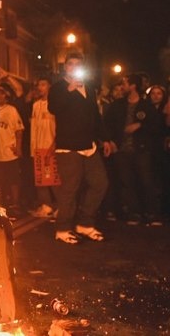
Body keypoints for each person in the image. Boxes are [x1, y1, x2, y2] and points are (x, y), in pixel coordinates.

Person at [48, 53, 115, 244]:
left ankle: (85, 223)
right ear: (65, 67)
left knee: (100, 183)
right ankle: (62, 228)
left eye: (78, 64)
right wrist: (69, 90)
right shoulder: (59, 87)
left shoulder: (89, 87)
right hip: (68, 147)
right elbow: (54, 108)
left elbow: (95, 116)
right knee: (70, 189)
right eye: (71, 64)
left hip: (89, 146)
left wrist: (106, 139)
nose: (74, 67)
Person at [103, 74, 163, 226]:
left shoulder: (146, 106)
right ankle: (133, 212)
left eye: (125, 84)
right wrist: (110, 141)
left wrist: (139, 125)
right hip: (121, 150)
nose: (122, 87)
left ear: (133, 86)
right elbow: (107, 124)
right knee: (126, 182)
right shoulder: (117, 105)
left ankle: (151, 213)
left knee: (146, 181)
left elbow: (156, 126)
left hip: (141, 149)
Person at [28, 77, 60, 218]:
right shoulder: (36, 105)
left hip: (51, 147)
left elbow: (60, 127)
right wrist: (33, 148)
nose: (40, 88)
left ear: (49, 86)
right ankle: (46, 206)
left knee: (54, 179)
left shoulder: (55, 104)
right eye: (38, 85)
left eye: (43, 85)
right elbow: (34, 128)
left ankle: (61, 207)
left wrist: (55, 144)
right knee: (41, 180)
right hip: (39, 147)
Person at [0, 85, 24, 215]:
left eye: (2, 94)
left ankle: (15, 203)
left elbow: (19, 130)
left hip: (9, 151)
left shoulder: (11, 110)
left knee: (13, 180)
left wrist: (19, 147)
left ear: (6, 96)